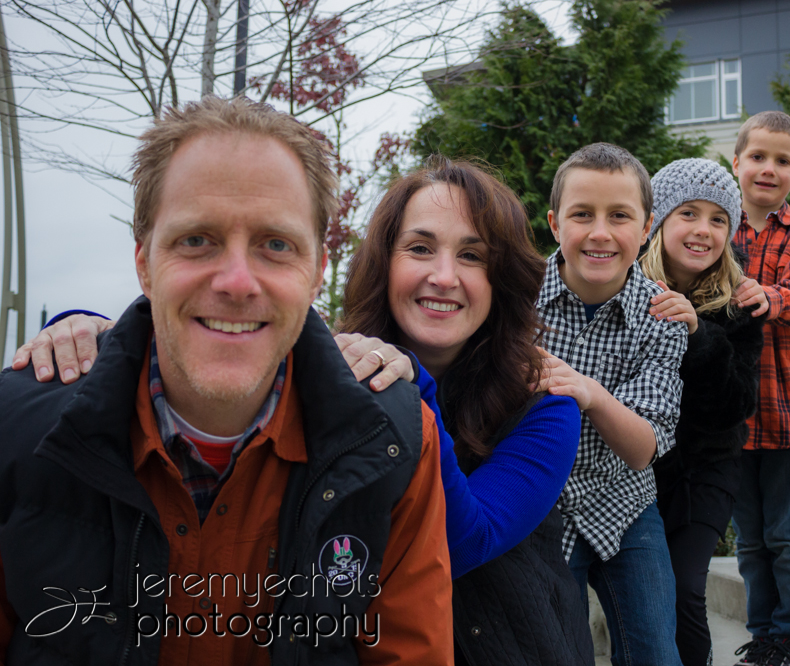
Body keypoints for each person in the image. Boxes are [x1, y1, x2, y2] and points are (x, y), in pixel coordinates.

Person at [14, 158, 594, 666]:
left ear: (503, 279)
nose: (443, 275)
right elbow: (226, 336)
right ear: (383, 262)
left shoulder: (545, 403)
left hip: (503, 645)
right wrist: (87, 329)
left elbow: (466, 542)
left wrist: (413, 390)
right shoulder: (336, 370)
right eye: (419, 248)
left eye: (472, 256)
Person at [0, 96, 452, 666]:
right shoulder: (14, 429)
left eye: (275, 245)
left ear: (315, 273)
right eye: (197, 240)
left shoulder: (396, 438)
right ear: (144, 263)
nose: (238, 281)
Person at [535, 142, 687, 666]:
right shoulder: (513, 301)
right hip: (539, 505)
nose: (600, 232)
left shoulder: (663, 316)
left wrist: (590, 392)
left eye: (619, 215)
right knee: (557, 651)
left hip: (626, 503)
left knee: (655, 653)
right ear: (555, 223)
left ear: (646, 228)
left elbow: (644, 448)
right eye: (582, 214)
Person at [642, 158, 767, 666]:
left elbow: (736, 405)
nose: (703, 230)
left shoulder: (740, 302)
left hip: (707, 470)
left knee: (685, 586)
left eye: (719, 219)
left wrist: (699, 332)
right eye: (688, 213)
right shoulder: (627, 289)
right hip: (638, 470)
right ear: (659, 222)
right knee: (644, 594)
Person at [727, 111, 790, 666]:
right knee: (750, 541)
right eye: (758, 157)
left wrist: (769, 298)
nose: (769, 168)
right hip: (738, 420)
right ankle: (763, 635)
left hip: (789, 418)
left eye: (782, 160)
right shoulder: (719, 228)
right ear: (736, 162)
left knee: (788, 535)